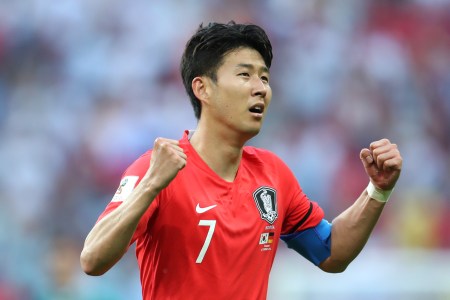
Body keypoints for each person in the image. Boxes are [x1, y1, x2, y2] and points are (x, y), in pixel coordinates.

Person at [80, 21, 403, 299]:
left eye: (264, 78)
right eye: (245, 75)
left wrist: (377, 191)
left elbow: (330, 252)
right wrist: (151, 185)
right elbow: (93, 260)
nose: (260, 88)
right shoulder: (159, 168)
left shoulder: (273, 174)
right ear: (203, 88)